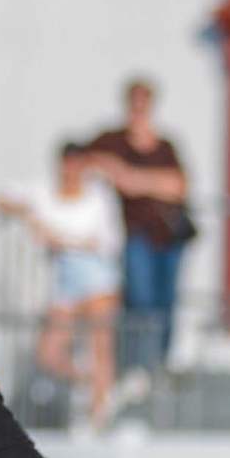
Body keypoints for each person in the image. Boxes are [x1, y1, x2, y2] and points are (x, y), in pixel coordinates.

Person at [0, 140, 124, 428]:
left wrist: (63, 240)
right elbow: (2, 197)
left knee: (100, 346)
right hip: (65, 279)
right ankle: (88, 382)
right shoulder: (44, 192)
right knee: (48, 354)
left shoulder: (99, 196)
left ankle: (99, 416)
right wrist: (30, 217)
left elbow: (109, 242)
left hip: (96, 276)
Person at [80, 78, 194, 374]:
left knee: (165, 302)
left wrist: (133, 179)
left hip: (168, 236)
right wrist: (131, 176)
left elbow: (179, 186)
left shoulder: (165, 145)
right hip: (136, 234)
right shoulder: (112, 140)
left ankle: (159, 363)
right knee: (140, 299)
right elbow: (83, 160)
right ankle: (139, 364)